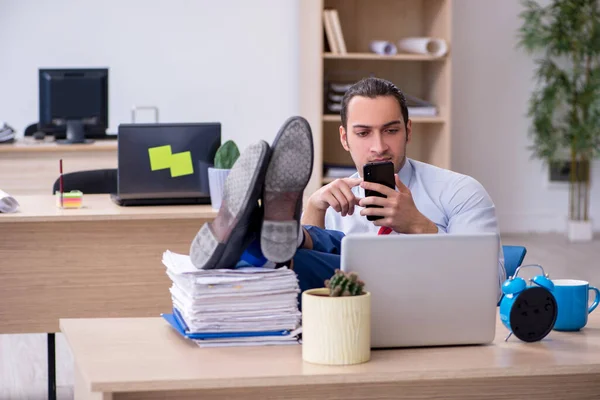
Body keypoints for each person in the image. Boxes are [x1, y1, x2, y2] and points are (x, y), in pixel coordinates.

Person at [190, 77, 505, 301]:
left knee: (331, 265)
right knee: (303, 259)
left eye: (391, 130)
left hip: (422, 303)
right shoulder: (335, 197)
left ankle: (247, 235)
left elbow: (492, 288)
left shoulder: (461, 191)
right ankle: (273, 231)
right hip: (346, 313)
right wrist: (313, 209)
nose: (379, 146)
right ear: (344, 138)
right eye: (364, 133)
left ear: (408, 130)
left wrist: (418, 226)